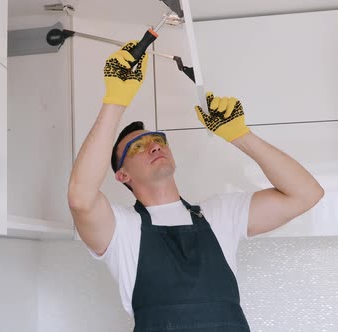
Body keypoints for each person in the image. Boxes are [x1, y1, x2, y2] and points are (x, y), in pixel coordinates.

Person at [67, 41, 324, 331]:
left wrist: (239, 135)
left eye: (157, 139)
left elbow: (306, 193)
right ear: (123, 175)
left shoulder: (220, 215)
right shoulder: (121, 230)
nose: (153, 146)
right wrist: (115, 101)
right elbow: (81, 198)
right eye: (138, 146)